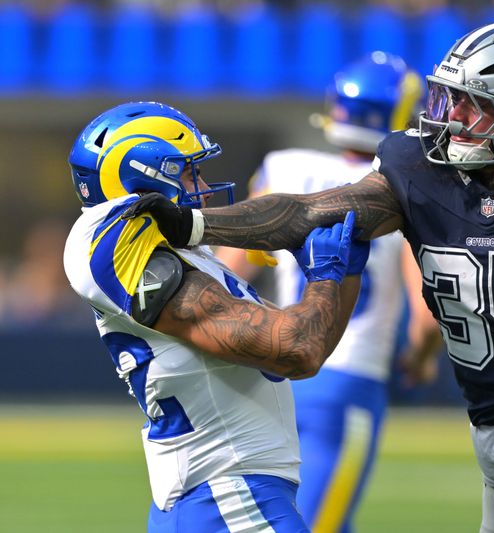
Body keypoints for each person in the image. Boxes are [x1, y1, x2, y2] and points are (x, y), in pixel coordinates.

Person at [123, 23, 494, 532]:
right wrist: (194, 223)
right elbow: (305, 213)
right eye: (448, 99)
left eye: (472, 106)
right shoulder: (421, 176)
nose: (448, 119)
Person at [62, 101, 369, 533]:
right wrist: (322, 276)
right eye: (189, 171)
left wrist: (344, 275)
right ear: (143, 175)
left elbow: (311, 349)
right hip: (227, 494)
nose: (203, 187)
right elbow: (294, 351)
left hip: (225, 493)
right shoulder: (106, 240)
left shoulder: (193, 259)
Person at [215, 51, 443, 533]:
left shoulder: (284, 167)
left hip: (276, 375)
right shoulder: (402, 188)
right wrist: (420, 359)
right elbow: (427, 313)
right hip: (349, 381)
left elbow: (228, 275)